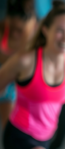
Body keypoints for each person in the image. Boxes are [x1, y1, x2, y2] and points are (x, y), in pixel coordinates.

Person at [0, 1, 65, 149]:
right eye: (60, 31)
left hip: (45, 139)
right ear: (45, 30)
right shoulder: (26, 61)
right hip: (19, 135)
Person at [0, 0, 36, 129]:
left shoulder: (33, 37)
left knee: (9, 127)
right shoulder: (2, 28)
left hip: (16, 86)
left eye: (19, 31)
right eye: (13, 28)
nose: (15, 33)